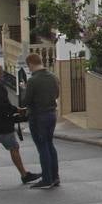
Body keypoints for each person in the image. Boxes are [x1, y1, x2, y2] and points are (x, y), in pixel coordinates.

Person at [0, 62, 39, 189]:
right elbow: (2, 105)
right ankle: (24, 174)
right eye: (1, 72)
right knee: (13, 148)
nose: (2, 75)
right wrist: (16, 110)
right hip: (1, 124)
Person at [21, 52, 60, 189]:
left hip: (38, 116)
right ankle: (55, 177)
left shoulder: (33, 80)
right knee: (50, 145)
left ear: (31, 64)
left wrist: (24, 90)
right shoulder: (53, 77)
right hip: (51, 114)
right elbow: (57, 94)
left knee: (42, 146)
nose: (29, 69)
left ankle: (47, 178)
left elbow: (26, 101)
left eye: (29, 66)